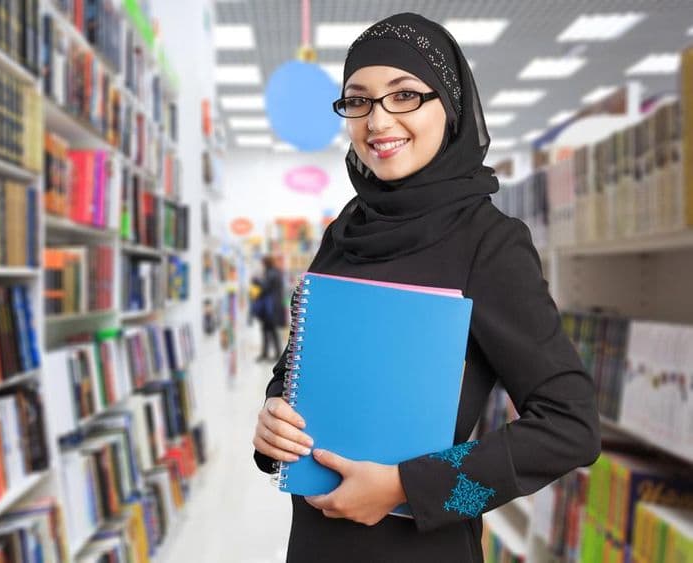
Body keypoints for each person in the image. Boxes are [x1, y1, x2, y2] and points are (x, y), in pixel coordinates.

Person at [252, 12, 601, 563]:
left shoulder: (489, 243)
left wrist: (407, 489)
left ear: (451, 106)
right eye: (358, 100)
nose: (378, 120)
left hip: (418, 549)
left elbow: (571, 425)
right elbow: (298, 366)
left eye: (405, 96)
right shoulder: (344, 232)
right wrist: (273, 419)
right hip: (316, 542)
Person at [254, 255, 285, 362]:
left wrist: (256, 280)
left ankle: (273, 354)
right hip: (273, 306)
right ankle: (269, 354)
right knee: (269, 330)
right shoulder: (276, 272)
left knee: (269, 330)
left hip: (269, 307)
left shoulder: (271, 273)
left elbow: (265, 287)